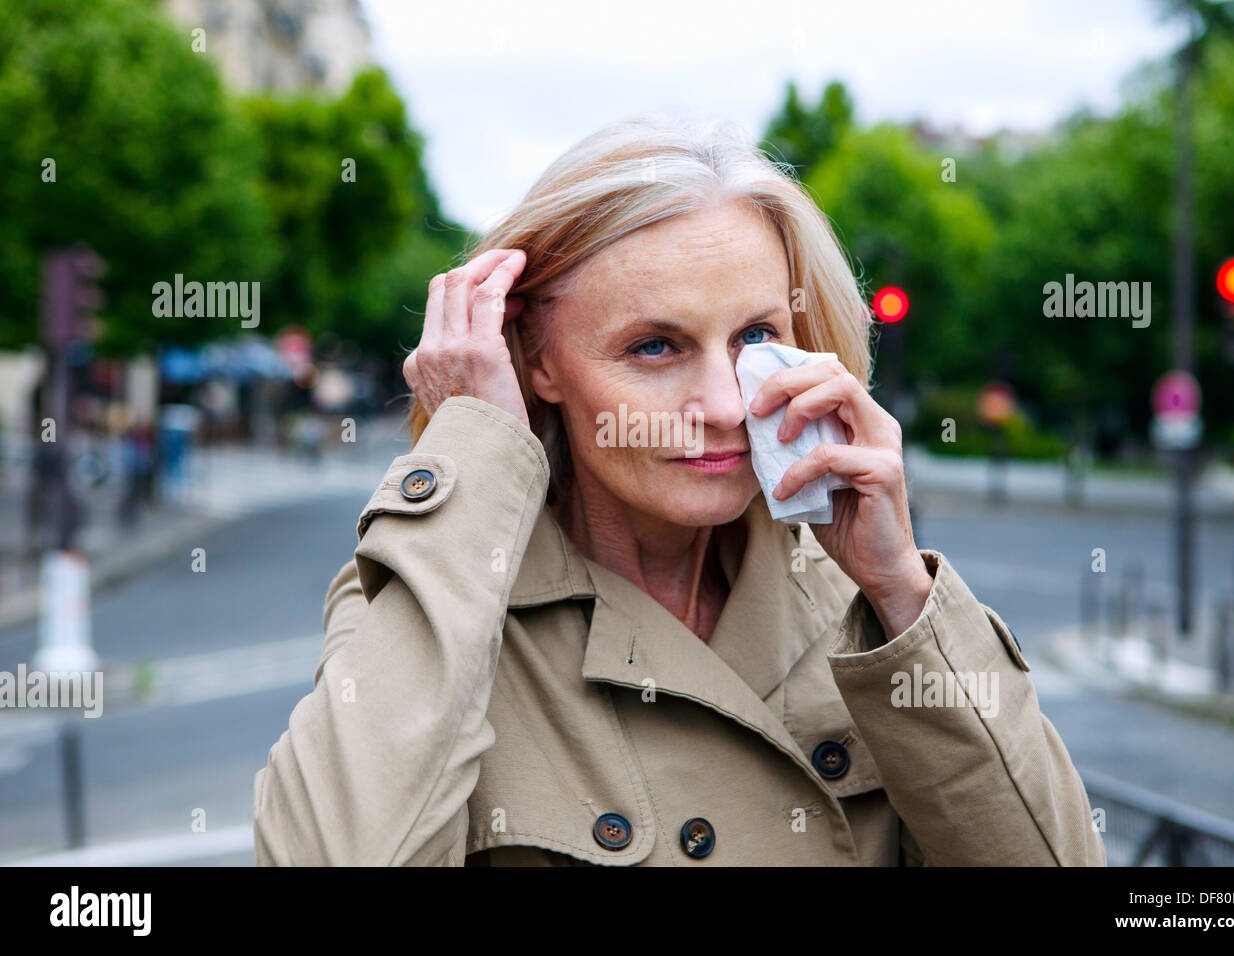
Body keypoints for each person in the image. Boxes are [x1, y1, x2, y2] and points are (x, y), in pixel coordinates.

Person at [253, 114, 1106, 866]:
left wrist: (901, 596)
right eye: (654, 347)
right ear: (537, 360)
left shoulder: (863, 604)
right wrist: (472, 458)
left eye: (756, 336)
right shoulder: (434, 601)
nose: (727, 405)